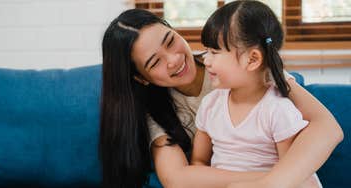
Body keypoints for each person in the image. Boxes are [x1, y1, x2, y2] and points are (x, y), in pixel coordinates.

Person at [100, 7, 343, 188]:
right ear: (141, 78)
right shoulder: (158, 110)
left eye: (170, 41)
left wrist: (277, 181)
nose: (173, 59)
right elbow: (178, 178)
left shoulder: (240, 62)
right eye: (155, 62)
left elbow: (328, 128)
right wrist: (267, 179)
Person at [191, 1, 321, 187]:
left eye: (214, 52)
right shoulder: (210, 104)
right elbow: (199, 162)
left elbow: (293, 174)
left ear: (252, 59)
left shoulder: (277, 110)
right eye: (206, 51)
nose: (206, 60)